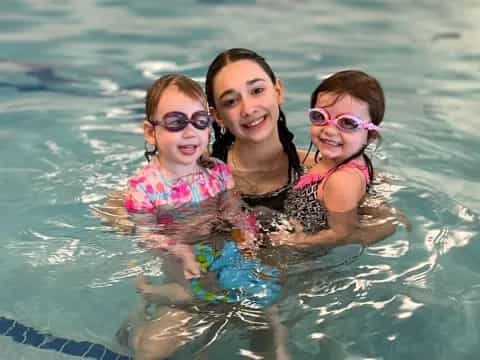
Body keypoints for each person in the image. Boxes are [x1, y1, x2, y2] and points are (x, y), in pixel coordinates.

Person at [118, 73, 288, 360]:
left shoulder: (217, 171)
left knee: (267, 305)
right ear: (151, 132)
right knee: (154, 347)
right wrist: (179, 250)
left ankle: (279, 353)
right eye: (175, 122)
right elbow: (145, 235)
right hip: (179, 265)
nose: (189, 132)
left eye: (199, 121)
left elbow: (232, 210)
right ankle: (145, 313)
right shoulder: (144, 190)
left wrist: (245, 231)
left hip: (221, 253)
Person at [271, 70, 386, 247]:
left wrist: (295, 242)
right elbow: (309, 160)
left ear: (370, 136)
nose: (329, 130)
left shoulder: (340, 181)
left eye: (347, 123)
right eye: (320, 117)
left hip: (304, 255)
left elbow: (341, 233)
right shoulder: (342, 159)